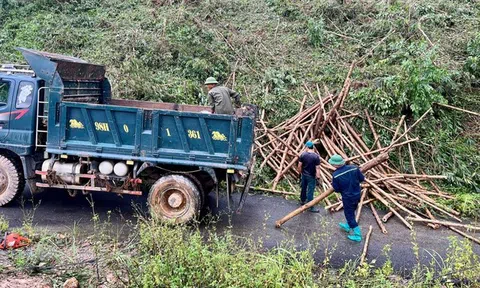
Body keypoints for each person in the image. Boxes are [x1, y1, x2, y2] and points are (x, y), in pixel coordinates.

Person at [328, 154, 365, 242]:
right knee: (352, 211)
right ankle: (348, 225)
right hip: (357, 194)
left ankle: (357, 234)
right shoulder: (354, 168)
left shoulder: (336, 175)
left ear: (335, 165)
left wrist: (332, 184)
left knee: (349, 215)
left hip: (348, 197)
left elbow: (336, 189)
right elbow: (361, 178)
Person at [297, 141, 320, 213]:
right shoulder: (316, 156)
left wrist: (299, 173)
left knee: (303, 188)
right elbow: (317, 168)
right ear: (312, 147)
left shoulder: (303, 155)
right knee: (310, 191)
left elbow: (299, 165)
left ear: (307, 147)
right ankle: (311, 207)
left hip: (304, 175)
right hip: (311, 176)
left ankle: (302, 200)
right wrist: (318, 177)